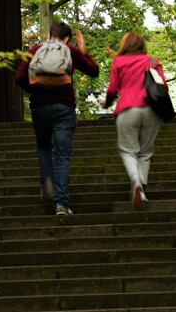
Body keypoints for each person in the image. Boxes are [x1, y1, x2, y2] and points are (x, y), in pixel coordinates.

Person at [15, 21, 99, 217]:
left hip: (39, 107)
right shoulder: (70, 50)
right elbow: (93, 71)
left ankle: (47, 180)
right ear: (67, 38)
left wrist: (34, 89)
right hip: (63, 107)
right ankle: (61, 204)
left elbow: (19, 77)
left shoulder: (35, 50)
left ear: (49, 35)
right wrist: (84, 52)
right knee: (62, 156)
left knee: (44, 146)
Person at [103, 32, 167, 210]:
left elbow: (112, 89)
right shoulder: (152, 61)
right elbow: (164, 86)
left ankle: (135, 181)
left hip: (127, 109)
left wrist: (107, 103)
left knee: (128, 151)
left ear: (125, 45)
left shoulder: (119, 62)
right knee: (145, 152)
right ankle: (142, 191)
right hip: (152, 110)